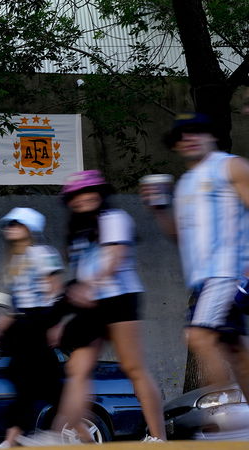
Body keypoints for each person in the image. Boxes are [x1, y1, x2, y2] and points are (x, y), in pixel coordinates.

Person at [41, 170, 166, 444]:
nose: (82, 199)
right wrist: (61, 321)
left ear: (100, 194)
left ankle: (158, 437)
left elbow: (115, 257)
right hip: (93, 306)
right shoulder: (78, 233)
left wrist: (89, 285)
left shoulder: (115, 218)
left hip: (120, 299)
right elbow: (77, 280)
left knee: (134, 368)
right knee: (77, 369)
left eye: (88, 192)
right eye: (75, 196)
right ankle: (61, 435)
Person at [144, 113, 249, 415]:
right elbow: (180, 235)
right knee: (236, 352)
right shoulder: (186, 183)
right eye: (181, 135)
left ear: (211, 136)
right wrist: (159, 210)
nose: (188, 138)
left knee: (199, 336)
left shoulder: (230, 166)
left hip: (227, 272)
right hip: (204, 279)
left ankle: (224, 416)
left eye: (196, 131)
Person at [0, 208, 65, 448]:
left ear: (29, 228)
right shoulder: (15, 260)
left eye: (16, 224)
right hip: (23, 325)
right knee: (25, 381)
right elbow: (14, 305)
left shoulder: (43, 253)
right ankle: (13, 439)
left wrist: (56, 323)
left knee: (43, 383)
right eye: (9, 224)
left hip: (40, 320)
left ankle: (64, 433)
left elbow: (56, 289)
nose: (10, 227)